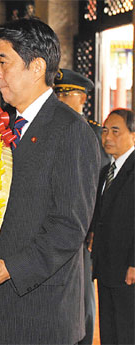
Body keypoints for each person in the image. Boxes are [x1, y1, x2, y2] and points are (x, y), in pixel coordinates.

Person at [0, 18, 101, 345]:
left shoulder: (71, 132)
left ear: (36, 67)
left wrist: (9, 268)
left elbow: (69, 226)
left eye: (3, 62)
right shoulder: (5, 128)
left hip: (39, 315)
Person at [54, 69, 110, 345]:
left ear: (82, 97)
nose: (61, 99)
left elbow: (100, 185)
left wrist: (93, 228)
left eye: (66, 93)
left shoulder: (95, 133)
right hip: (56, 224)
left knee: (83, 292)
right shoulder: (53, 129)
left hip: (84, 228)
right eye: (58, 94)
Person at [90, 108, 135, 345]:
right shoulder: (107, 171)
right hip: (106, 266)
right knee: (109, 328)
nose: (107, 137)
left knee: (127, 330)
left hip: (128, 270)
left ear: (133, 135)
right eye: (105, 131)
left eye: (116, 131)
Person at [54, 68, 110, 168]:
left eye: (65, 95)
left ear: (82, 98)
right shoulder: (51, 128)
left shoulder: (93, 131)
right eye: (57, 95)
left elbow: (101, 170)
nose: (59, 100)